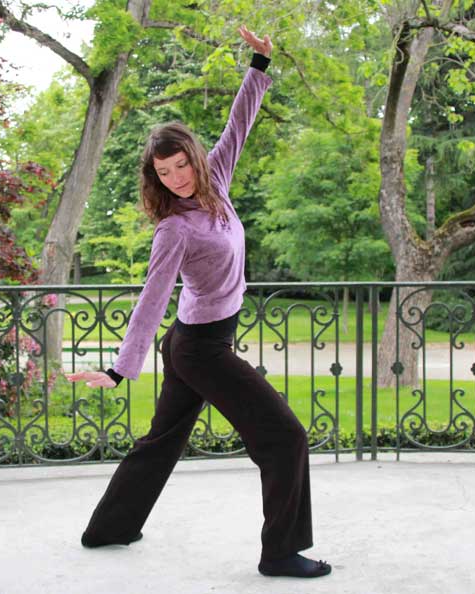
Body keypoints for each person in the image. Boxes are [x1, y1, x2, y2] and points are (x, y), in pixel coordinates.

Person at [66, 25, 331, 579]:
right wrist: (119, 371)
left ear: (192, 157)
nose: (176, 178)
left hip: (194, 342)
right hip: (200, 349)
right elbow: (150, 299)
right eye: (164, 173)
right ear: (156, 177)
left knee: (163, 439)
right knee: (285, 438)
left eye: (180, 165)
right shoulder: (173, 230)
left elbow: (239, 124)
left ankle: (107, 528)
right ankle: (280, 553)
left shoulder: (218, 180)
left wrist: (259, 63)